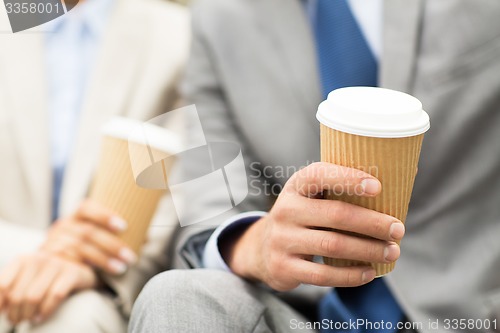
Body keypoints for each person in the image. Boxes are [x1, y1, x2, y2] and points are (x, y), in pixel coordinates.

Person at [130, 0, 500, 332]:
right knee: (174, 294)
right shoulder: (219, 16)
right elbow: (209, 207)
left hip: (473, 307)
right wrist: (255, 244)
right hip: (308, 315)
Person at [0, 0, 189, 332]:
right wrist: (43, 251)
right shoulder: (10, 20)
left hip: (99, 287)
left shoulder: (180, 38)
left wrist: (96, 267)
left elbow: (180, 193)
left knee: (76, 319)